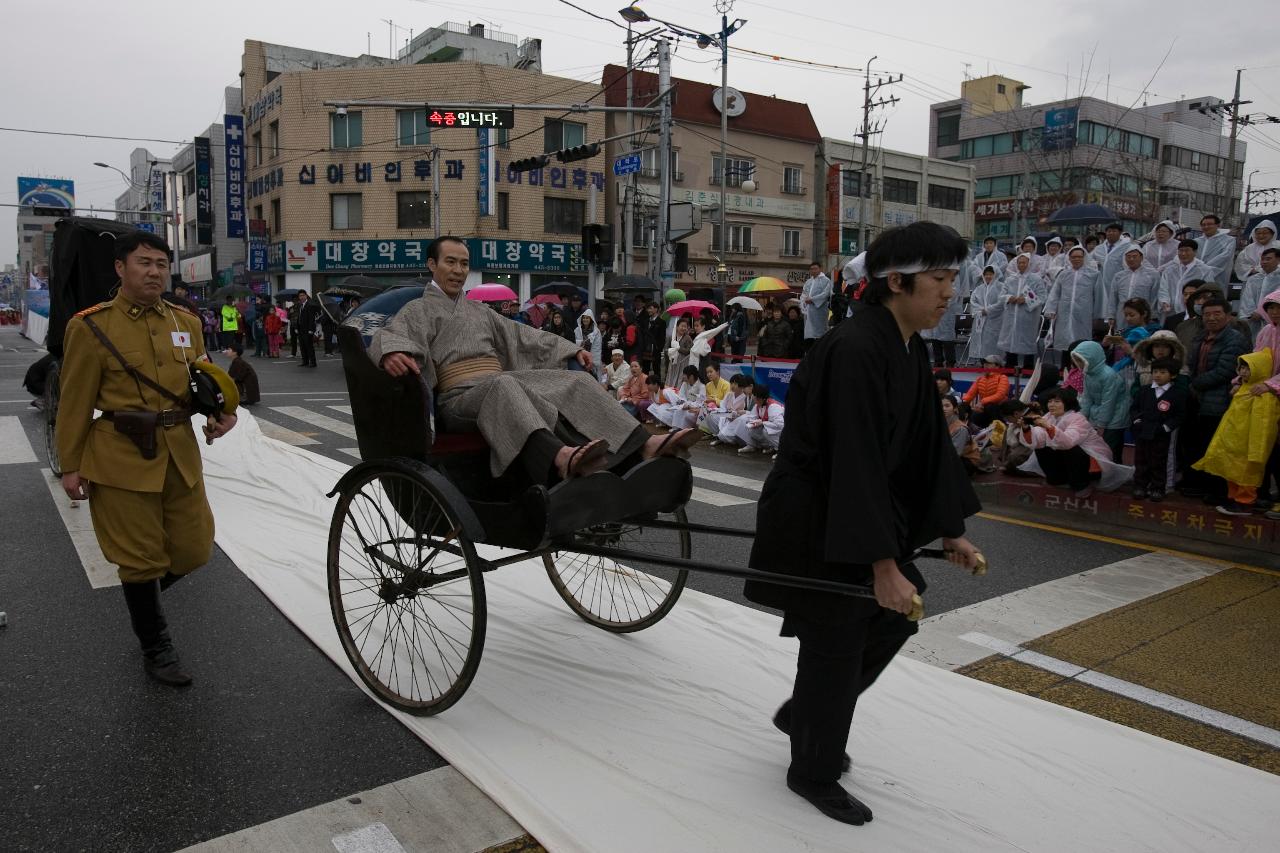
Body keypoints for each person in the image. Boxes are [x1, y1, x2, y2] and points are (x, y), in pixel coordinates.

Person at [744, 222, 982, 827]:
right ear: (895, 282)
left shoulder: (908, 343)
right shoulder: (852, 349)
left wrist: (950, 527)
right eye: (939, 279)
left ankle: (804, 717)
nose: (949, 291)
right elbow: (854, 458)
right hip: (820, 511)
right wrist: (881, 563)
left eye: (952, 278)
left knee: (896, 614)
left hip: (856, 508)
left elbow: (928, 444)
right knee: (837, 637)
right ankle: (812, 770)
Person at [54, 231, 238, 687]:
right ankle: (156, 647)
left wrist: (222, 412)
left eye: (161, 263)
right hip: (121, 454)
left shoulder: (185, 320)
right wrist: (71, 464)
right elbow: (74, 402)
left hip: (179, 450)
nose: (155, 271)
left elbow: (204, 378)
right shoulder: (91, 326)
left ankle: (141, 599)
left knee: (194, 549)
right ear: (121, 268)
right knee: (139, 560)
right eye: (144, 262)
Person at [371, 237, 701, 482]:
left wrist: (570, 349)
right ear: (432, 265)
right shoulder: (417, 309)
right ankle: (561, 458)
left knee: (575, 380)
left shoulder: (479, 311)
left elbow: (525, 337)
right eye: (450, 262)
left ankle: (644, 444)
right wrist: (393, 351)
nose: (458, 271)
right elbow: (390, 334)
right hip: (458, 399)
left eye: (463, 263)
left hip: (499, 384)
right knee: (504, 384)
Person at [1179, 297, 1249, 501]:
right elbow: (1191, 365)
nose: (1211, 318)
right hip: (1196, 399)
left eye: (1217, 313)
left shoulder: (1235, 339)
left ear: (1228, 316)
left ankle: (1216, 491)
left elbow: (1226, 371)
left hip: (1219, 399)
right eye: (1207, 314)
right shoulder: (1200, 337)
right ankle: (1196, 484)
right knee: (1196, 443)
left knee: (1215, 446)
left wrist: (1195, 383)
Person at [1193, 349, 1279, 515]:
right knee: (1232, 472)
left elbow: (1263, 426)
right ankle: (1233, 499)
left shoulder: (1263, 395)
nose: (1243, 372)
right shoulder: (1244, 388)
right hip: (1235, 442)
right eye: (1242, 368)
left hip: (1249, 446)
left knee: (1247, 475)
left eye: (1248, 368)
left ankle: (1245, 503)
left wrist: (1257, 450)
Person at [1019, 386, 1131, 495]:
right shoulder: (1049, 417)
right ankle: (1057, 480)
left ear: (1067, 403)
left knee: (1072, 448)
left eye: (1057, 402)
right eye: (1050, 401)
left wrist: (1049, 427)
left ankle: (1081, 485)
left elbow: (1068, 441)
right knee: (1041, 447)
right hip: (1070, 462)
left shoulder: (1078, 418)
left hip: (1091, 465)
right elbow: (1038, 438)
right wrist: (1026, 428)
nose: (1051, 405)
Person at [1130, 357, 1187, 501]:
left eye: (1162, 372)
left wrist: (1166, 427)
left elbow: (1180, 415)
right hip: (1143, 431)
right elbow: (1134, 408)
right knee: (1140, 460)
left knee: (1158, 461)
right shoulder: (1144, 391)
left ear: (1172, 375)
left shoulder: (1177, 393)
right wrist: (1137, 420)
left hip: (1161, 434)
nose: (1157, 375)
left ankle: (1157, 488)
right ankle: (1140, 486)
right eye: (1155, 371)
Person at [1071, 340, 1130, 463]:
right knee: (1096, 448)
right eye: (1078, 360)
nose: (1079, 364)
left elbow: (1109, 402)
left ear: (1092, 358)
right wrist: (1081, 418)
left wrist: (1101, 424)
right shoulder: (1088, 374)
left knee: (1110, 449)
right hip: (1100, 415)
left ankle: (1114, 475)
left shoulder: (1109, 376)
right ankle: (1100, 474)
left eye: (1081, 360)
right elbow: (1087, 398)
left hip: (1115, 417)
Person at [1043, 246, 1102, 350]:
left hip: (1084, 313)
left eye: (1079, 257)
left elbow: (1098, 295)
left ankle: (1079, 365)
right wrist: (1051, 309)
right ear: (1069, 258)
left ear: (1084, 258)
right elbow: (1055, 293)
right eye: (1073, 257)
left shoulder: (1094, 275)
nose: (1076, 259)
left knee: (1081, 341)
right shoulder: (1063, 274)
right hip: (1064, 312)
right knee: (1064, 342)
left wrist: (1097, 314)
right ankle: (1064, 365)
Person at [997, 253, 1045, 372]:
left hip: (1028, 317)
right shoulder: (1010, 279)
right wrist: (1009, 298)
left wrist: (1026, 300)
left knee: (1027, 342)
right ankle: (1010, 367)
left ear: (1029, 264)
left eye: (1024, 262)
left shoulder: (1036, 279)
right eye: (1019, 262)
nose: (1021, 265)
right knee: (1010, 341)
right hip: (1011, 316)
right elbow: (1001, 295)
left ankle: (1028, 369)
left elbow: (1043, 297)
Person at [1161, 240, 1215, 317]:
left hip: (1194, 312)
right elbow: (1163, 288)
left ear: (1195, 252)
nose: (1183, 254)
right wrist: (1164, 301)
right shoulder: (1169, 270)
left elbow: (1208, 291)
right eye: (1181, 251)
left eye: (1187, 250)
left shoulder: (1204, 270)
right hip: (1171, 311)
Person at [1111, 246, 1163, 324]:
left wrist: (1151, 315)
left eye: (1134, 256)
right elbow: (1113, 297)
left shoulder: (1153, 275)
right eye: (1128, 257)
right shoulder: (1118, 276)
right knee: (1121, 335)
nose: (1131, 259)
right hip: (1121, 315)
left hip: (1142, 315)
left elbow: (1155, 297)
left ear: (1141, 258)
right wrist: (1111, 316)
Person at [734, 383, 785, 456]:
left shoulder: (773, 407)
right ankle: (754, 445)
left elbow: (780, 425)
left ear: (763, 398)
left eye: (757, 398)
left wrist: (763, 423)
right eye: (754, 396)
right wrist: (750, 422)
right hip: (773, 429)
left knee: (766, 431)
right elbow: (752, 416)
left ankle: (781, 450)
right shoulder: (758, 405)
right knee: (750, 426)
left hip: (782, 432)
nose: (755, 399)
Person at [649, 365, 706, 430]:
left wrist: (689, 405)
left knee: (685, 413)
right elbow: (681, 397)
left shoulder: (701, 386)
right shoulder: (684, 384)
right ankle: (676, 428)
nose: (683, 376)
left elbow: (701, 402)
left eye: (684, 374)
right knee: (674, 410)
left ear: (691, 376)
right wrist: (684, 404)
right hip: (684, 406)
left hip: (695, 409)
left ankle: (685, 428)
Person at [1239, 247, 1280, 337]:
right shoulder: (1254, 278)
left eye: (1268, 259)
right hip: (1253, 319)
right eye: (1262, 259)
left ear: (1278, 260)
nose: (1264, 262)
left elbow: (1277, 298)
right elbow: (1247, 299)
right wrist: (1252, 313)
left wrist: (1261, 312)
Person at [966, 265, 1004, 363]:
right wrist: (980, 310)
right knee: (981, 340)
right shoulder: (979, 288)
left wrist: (988, 310)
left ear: (995, 275)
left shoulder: (1001, 287)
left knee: (992, 342)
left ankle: (994, 363)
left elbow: (1001, 303)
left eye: (990, 274)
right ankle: (982, 362)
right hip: (980, 319)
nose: (988, 276)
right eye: (986, 274)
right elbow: (973, 301)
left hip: (995, 320)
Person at [963, 355, 1011, 428]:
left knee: (990, 406)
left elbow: (1000, 395)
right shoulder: (980, 379)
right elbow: (970, 394)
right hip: (983, 407)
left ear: (997, 366)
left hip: (999, 408)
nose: (985, 365)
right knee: (967, 410)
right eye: (984, 363)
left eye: (989, 363)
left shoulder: (1003, 378)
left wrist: (982, 402)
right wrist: (963, 403)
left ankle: (1000, 428)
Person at [707, 372, 752, 443]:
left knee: (724, 434)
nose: (732, 386)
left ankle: (723, 437)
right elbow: (722, 406)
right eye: (731, 383)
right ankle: (717, 435)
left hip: (735, 421)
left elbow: (744, 414)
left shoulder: (745, 398)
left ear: (741, 386)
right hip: (725, 417)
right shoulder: (729, 395)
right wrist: (723, 413)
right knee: (710, 415)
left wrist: (734, 414)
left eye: (735, 384)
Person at [942, 394, 981, 475]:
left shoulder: (961, 429)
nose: (943, 409)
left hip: (966, 461)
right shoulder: (941, 423)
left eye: (947, 406)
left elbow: (955, 454)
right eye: (941, 406)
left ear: (955, 409)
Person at [800, 261, 833, 352]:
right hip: (808, 311)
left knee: (819, 336)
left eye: (815, 268)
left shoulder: (826, 280)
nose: (813, 271)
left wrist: (813, 299)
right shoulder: (808, 281)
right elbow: (803, 294)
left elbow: (825, 294)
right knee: (808, 336)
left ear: (820, 269)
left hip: (819, 311)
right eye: (811, 269)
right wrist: (803, 301)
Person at [1195, 214, 1235, 288]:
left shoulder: (1228, 240)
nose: (1206, 227)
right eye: (1203, 225)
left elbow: (1224, 257)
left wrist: (1204, 269)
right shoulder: (1196, 241)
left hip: (1218, 277)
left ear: (1218, 225)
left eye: (1210, 224)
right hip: (1196, 276)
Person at [575, 309, 603, 379]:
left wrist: (594, 362)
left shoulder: (596, 332)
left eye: (587, 318)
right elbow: (573, 342)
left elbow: (597, 347)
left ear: (591, 319)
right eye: (584, 318)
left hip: (591, 358)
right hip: (580, 357)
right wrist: (580, 342)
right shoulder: (577, 330)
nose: (585, 320)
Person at [665, 317, 693, 387]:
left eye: (685, 327)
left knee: (680, 379)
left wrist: (678, 348)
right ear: (677, 327)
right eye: (682, 326)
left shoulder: (688, 338)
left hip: (682, 363)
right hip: (672, 362)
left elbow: (689, 351)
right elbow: (665, 349)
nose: (683, 328)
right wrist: (670, 352)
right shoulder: (671, 337)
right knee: (670, 377)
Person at [295, 290, 320, 368]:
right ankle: (305, 361)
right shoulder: (300, 305)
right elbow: (298, 317)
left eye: (303, 295)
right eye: (300, 296)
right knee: (302, 346)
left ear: (306, 296)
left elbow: (311, 319)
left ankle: (313, 362)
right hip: (300, 329)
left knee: (309, 346)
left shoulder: (310, 305)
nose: (301, 297)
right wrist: (296, 327)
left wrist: (311, 330)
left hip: (307, 329)